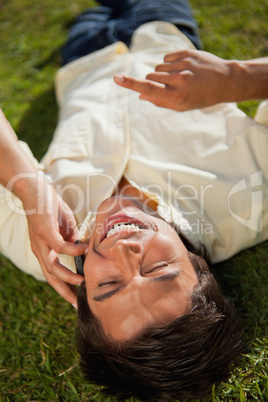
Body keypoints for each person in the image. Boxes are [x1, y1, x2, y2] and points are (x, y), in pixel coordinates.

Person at [0, 0, 267, 400]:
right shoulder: (255, 201)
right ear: (201, 267)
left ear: (83, 295)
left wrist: (27, 186)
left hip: (84, 57)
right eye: (159, 268)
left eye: (108, 285)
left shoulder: (37, 245)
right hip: (163, 24)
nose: (125, 251)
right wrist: (237, 78)